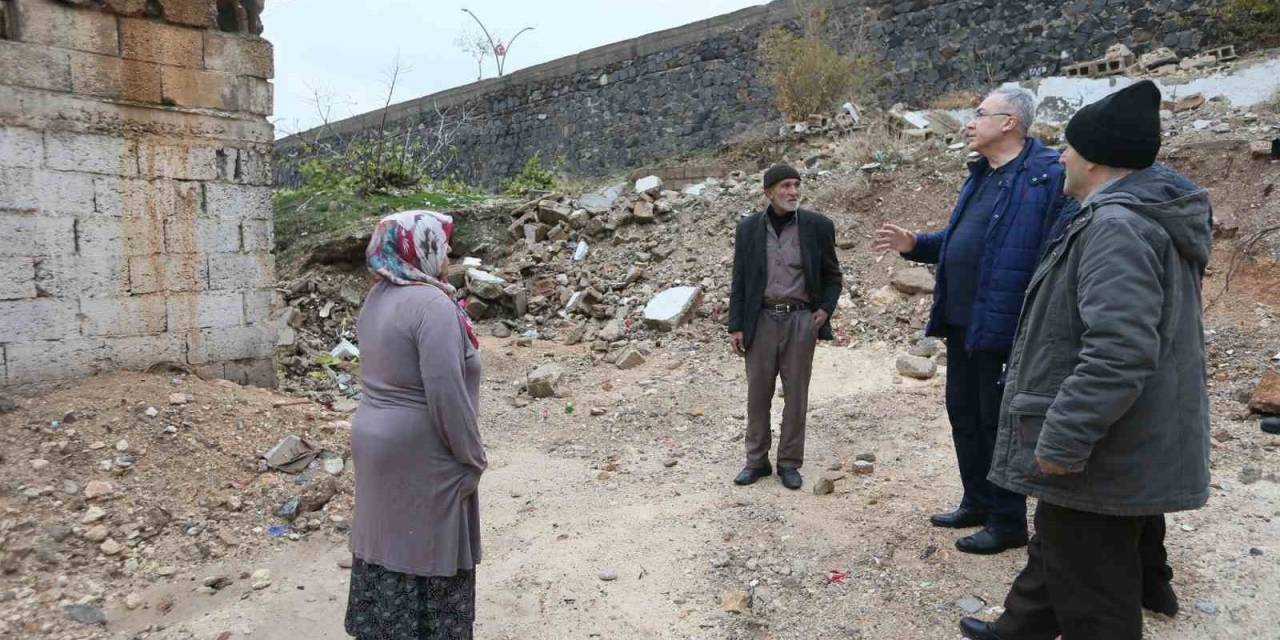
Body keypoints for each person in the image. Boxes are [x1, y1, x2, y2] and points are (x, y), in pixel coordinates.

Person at [960, 80, 1212, 640]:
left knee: (1094, 588)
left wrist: (1063, 437)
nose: (1062, 156)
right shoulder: (1128, 216)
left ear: (1095, 159)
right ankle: (1021, 628)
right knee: (1061, 532)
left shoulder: (1116, 228)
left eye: (1070, 147)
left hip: (1105, 447)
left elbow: (1118, 352)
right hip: (1125, 436)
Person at [873, 87, 1069, 554]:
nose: (968, 121)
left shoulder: (1046, 174)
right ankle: (977, 501)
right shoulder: (980, 175)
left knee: (997, 423)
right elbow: (960, 241)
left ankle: (1008, 521)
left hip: (1006, 328)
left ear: (1009, 123)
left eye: (979, 114)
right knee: (963, 414)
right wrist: (916, 244)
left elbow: (1056, 251)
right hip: (963, 324)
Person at [345, 210, 487, 640]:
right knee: (428, 553)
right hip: (421, 452)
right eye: (441, 244)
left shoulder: (378, 297)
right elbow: (446, 393)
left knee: (386, 547)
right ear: (420, 248)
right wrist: (472, 458)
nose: (448, 252)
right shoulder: (433, 305)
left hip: (375, 443)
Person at [728, 164, 842, 490]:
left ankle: (789, 462)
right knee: (758, 394)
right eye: (785, 186)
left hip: (799, 320)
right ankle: (756, 461)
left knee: (796, 396)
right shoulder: (748, 229)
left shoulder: (818, 227)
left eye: (796, 185)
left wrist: (824, 310)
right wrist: (736, 326)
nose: (793, 192)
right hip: (760, 320)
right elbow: (740, 281)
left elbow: (833, 276)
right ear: (769, 193)